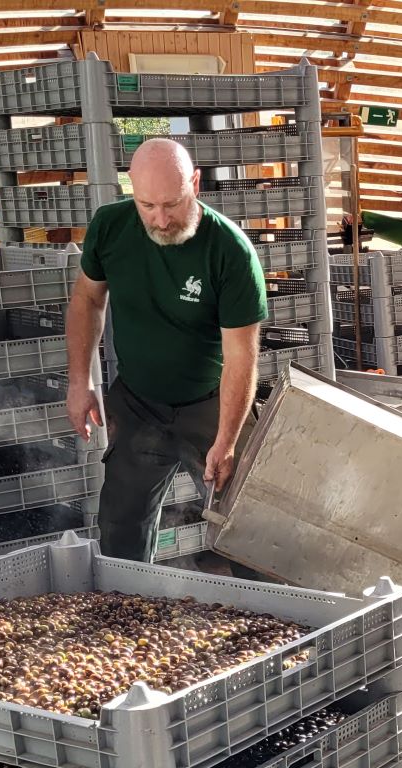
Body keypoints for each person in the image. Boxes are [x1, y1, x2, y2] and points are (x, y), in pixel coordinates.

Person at [63, 138, 267, 561]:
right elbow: (86, 299)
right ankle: (124, 615)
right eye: (147, 205)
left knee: (250, 526)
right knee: (120, 531)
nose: (160, 219)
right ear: (130, 191)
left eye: (172, 204)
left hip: (211, 403)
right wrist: (79, 382)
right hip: (137, 401)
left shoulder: (230, 252)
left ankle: (279, 617)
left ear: (195, 182)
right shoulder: (110, 227)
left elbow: (241, 357)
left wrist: (227, 439)